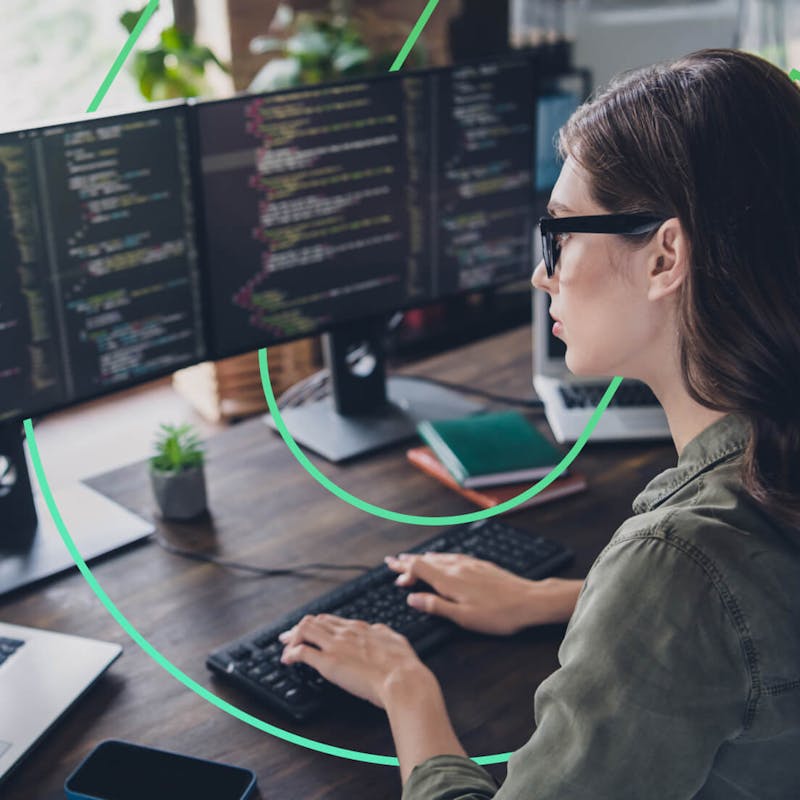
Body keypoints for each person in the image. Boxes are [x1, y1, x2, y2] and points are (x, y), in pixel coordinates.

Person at [279, 48, 800, 798]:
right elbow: (746, 620)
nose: (540, 272)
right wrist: (557, 600)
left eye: (560, 234)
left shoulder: (677, 563)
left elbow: (697, 596)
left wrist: (405, 689)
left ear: (664, 257)